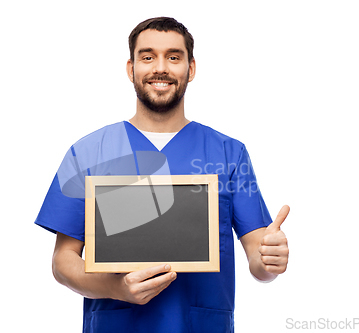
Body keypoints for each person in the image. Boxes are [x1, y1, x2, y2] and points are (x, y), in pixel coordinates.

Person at [35, 17, 289, 333]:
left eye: (173, 57)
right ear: (131, 69)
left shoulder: (229, 153)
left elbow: (258, 256)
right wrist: (117, 289)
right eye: (147, 57)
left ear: (190, 68)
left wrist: (269, 261)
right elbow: (63, 262)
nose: (161, 68)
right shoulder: (88, 152)